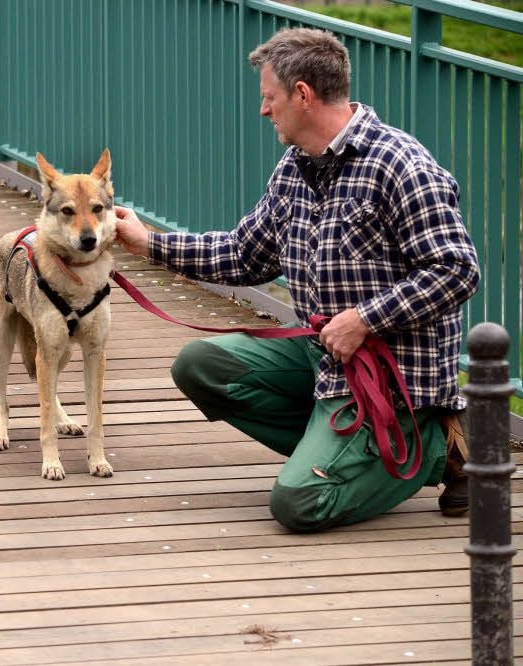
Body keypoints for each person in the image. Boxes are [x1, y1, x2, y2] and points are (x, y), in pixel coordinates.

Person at [114, 27, 480, 533]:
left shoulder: (401, 165)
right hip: (322, 359)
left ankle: (436, 447)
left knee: (299, 503)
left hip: (393, 380)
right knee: (201, 366)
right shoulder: (295, 167)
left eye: (270, 98)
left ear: (302, 95)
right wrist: (148, 242)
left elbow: (457, 270)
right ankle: (341, 447)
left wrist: (365, 319)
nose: (264, 110)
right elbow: (245, 255)